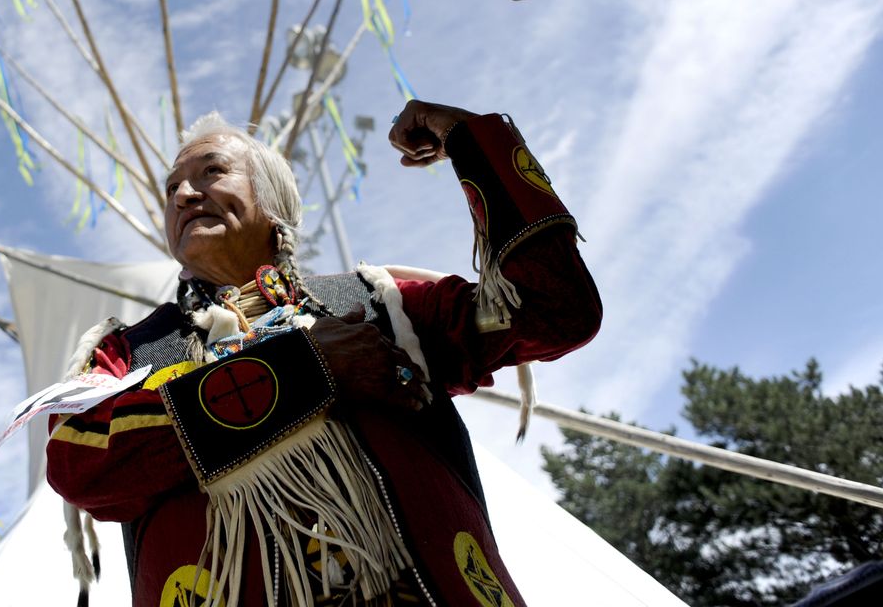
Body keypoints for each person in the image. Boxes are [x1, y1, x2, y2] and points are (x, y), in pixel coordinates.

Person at [46, 100, 602, 607]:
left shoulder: (382, 305)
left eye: (211, 172)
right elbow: (79, 461)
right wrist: (307, 371)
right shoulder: (133, 350)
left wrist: (469, 140)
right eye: (172, 190)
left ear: (272, 202)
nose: (184, 196)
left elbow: (553, 309)